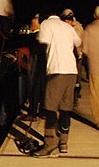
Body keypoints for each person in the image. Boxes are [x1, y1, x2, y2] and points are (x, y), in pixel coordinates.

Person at [33, 9, 81, 157]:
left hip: (56, 70)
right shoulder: (67, 26)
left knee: (50, 107)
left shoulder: (47, 24)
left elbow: (42, 44)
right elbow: (78, 42)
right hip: (71, 70)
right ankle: (63, 142)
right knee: (66, 107)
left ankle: (49, 143)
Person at [18, 14, 47, 121]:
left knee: (34, 90)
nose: (30, 25)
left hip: (38, 66)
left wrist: (20, 51)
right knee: (43, 90)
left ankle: (32, 114)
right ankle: (42, 112)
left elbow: (33, 50)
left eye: (32, 23)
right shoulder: (45, 35)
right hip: (44, 66)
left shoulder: (38, 36)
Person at [60, 8, 84, 106]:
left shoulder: (76, 26)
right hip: (72, 55)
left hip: (75, 55)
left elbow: (77, 42)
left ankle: (74, 99)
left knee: (75, 80)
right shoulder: (72, 26)